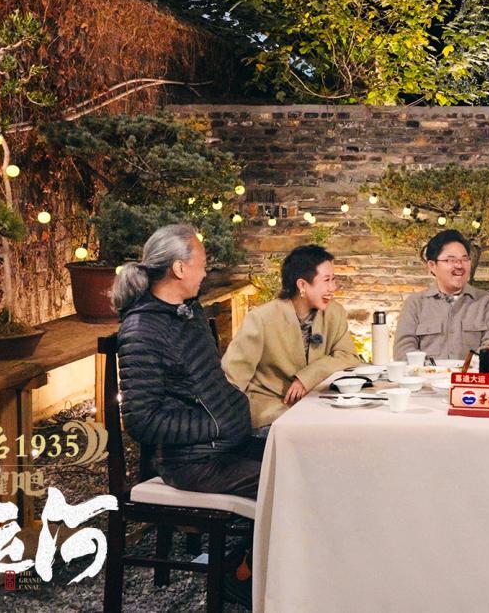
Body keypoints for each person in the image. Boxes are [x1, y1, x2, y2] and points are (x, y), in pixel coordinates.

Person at [113, 223, 258, 606]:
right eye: (202, 264)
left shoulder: (186, 312)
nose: (205, 271)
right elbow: (141, 421)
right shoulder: (142, 330)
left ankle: (266, 569)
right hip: (192, 462)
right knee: (290, 483)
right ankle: (242, 577)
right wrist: (216, 424)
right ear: (178, 268)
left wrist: (231, 414)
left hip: (223, 447)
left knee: (301, 462)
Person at [223, 245, 361, 428]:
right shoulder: (261, 319)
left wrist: (308, 377)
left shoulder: (334, 313)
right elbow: (233, 377)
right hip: (270, 410)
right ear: (302, 285)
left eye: (333, 279)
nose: (332, 288)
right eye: (326, 280)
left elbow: (348, 356)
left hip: (315, 402)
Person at [394, 229, 489, 360]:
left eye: (464, 259)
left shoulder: (485, 302)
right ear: (432, 265)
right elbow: (403, 351)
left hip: (470, 373)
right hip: (427, 373)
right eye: (451, 260)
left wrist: (465, 368)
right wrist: (430, 368)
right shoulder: (415, 304)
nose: (459, 265)